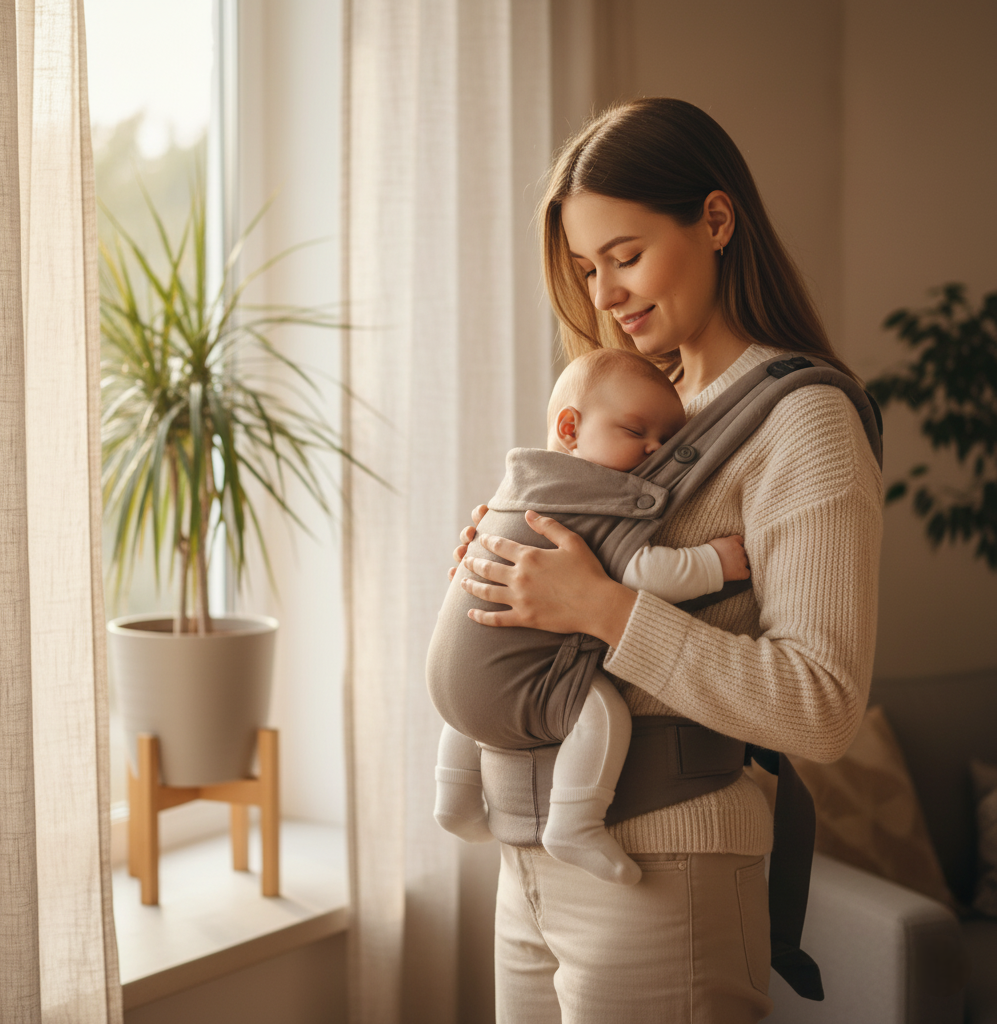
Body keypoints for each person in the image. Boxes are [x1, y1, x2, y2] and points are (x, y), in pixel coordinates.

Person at [450, 98, 882, 1023]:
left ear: (716, 221)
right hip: (530, 859)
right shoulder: (637, 406)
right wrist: (507, 561)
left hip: (666, 869)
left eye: (625, 256)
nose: (602, 296)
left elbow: (823, 707)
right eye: (584, 268)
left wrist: (602, 608)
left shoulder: (805, 422)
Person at [429, 347, 750, 887]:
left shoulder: (524, 483)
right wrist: (712, 564)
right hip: (516, 689)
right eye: (635, 431)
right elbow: (640, 570)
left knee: (471, 697)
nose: (653, 451)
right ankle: (575, 823)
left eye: (665, 442)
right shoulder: (592, 496)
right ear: (570, 428)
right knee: (601, 713)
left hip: (449, 683)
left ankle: (455, 797)